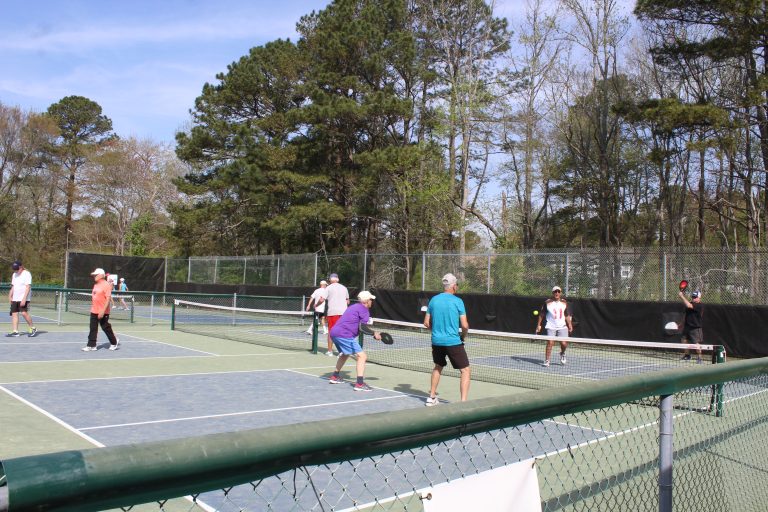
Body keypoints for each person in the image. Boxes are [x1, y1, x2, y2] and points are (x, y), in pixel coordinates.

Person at [423, 273, 470, 406]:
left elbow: (426, 323)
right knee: (465, 370)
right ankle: (463, 403)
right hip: (453, 342)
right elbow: (465, 325)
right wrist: (463, 336)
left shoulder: (433, 300)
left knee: (438, 366)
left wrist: (436, 331)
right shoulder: (458, 301)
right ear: (454, 286)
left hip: (436, 341)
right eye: (457, 285)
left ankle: (431, 397)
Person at [328, 290, 381, 392]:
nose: (371, 302)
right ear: (366, 301)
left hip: (334, 333)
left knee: (345, 354)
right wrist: (374, 333)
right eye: (370, 299)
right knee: (362, 356)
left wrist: (372, 333)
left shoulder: (353, 307)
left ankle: (335, 377)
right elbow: (362, 327)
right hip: (344, 334)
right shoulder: (364, 310)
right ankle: (360, 384)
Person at [82, 268, 120, 352]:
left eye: (95, 275)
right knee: (93, 328)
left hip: (103, 311)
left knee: (105, 327)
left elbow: (108, 299)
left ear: (101, 275)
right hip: (94, 310)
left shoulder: (106, 285)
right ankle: (91, 345)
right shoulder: (95, 285)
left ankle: (114, 343)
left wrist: (102, 311)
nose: (94, 276)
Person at [536, 285, 573, 367]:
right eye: (555, 291)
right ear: (552, 293)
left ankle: (562, 353)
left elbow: (566, 315)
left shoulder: (564, 302)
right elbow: (542, 314)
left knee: (564, 344)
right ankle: (547, 360)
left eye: (558, 291)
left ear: (560, 293)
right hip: (550, 326)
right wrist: (539, 325)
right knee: (550, 342)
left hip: (562, 326)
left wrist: (570, 324)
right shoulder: (547, 303)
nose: (557, 293)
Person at [7, 261, 37, 337]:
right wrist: (10, 295)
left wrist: (24, 299)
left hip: (24, 298)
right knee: (14, 313)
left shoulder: (27, 274)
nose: (16, 270)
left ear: (21, 267)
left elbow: (28, 287)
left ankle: (32, 328)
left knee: (24, 313)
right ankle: (15, 331)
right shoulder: (14, 274)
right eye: (14, 269)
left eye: (17, 269)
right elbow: (13, 286)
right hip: (15, 297)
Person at [324, 273, 349, 356]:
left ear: (330, 280)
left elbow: (321, 299)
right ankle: (342, 351)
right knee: (342, 332)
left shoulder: (328, 288)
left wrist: (316, 305)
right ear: (337, 279)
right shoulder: (344, 288)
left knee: (331, 332)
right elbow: (347, 301)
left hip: (332, 313)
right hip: (343, 314)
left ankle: (330, 351)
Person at [678, 289, 703, 363]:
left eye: (695, 297)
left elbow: (689, 305)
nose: (693, 298)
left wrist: (681, 296)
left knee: (696, 344)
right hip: (687, 327)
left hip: (695, 328)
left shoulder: (699, 305)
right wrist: (681, 324)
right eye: (693, 297)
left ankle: (699, 358)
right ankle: (687, 355)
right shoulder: (690, 304)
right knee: (684, 341)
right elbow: (686, 315)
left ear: (699, 298)